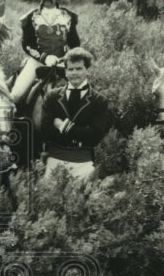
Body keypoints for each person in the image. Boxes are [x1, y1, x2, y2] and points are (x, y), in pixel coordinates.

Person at [39, 47, 111, 180]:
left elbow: (95, 136)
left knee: (83, 198)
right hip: (54, 159)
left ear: (86, 70)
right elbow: (45, 131)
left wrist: (63, 127)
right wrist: (81, 132)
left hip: (83, 162)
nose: (74, 73)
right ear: (65, 72)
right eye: (70, 69)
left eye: (79, 68)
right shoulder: (52, 97)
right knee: (47, 198)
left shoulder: (99, 100)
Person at [9, 0, 80, 103]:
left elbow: (75, 44)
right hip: (37, 61)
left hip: (62, 61)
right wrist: (45, 58)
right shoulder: (30, 17)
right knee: (15, 95)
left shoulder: (68, 16)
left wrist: (67, 58)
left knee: (84, 93)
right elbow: (27, 44)